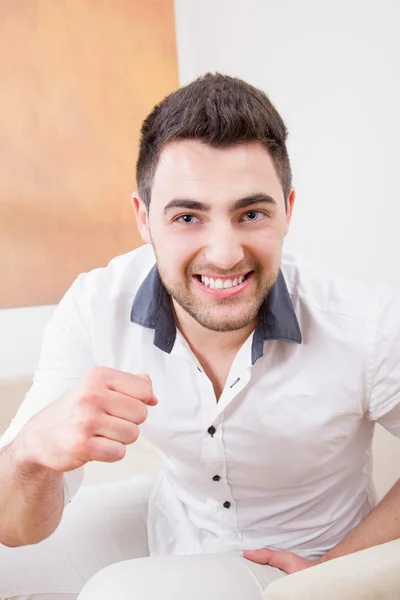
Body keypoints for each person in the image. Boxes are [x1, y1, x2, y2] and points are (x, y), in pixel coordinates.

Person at [0, 73, 399, 600]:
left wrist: (335, 569)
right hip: (178, 523)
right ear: (144, 219)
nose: (225, 253)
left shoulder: (362, 324)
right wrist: (31, 452)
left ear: (288, 210)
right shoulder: (97, 305)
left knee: (117, 594)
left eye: (251, 213)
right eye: (187, 216)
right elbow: (18, 527)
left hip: (300, 562)